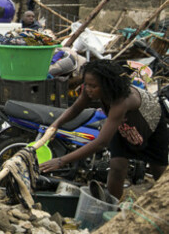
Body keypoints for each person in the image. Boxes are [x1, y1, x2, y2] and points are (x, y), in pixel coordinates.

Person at [40, 59, 168, 198]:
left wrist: (61, 161)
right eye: (86, 84)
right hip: (123, 126)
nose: (88, 89)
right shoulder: (90, 91)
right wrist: (56, 124)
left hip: (151, 127)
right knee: (117, 167)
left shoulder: (122, 101)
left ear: (107, 86)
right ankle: (112, 207)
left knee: (159, 172)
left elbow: (102, 142)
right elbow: (76, 107)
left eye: (93, 86)